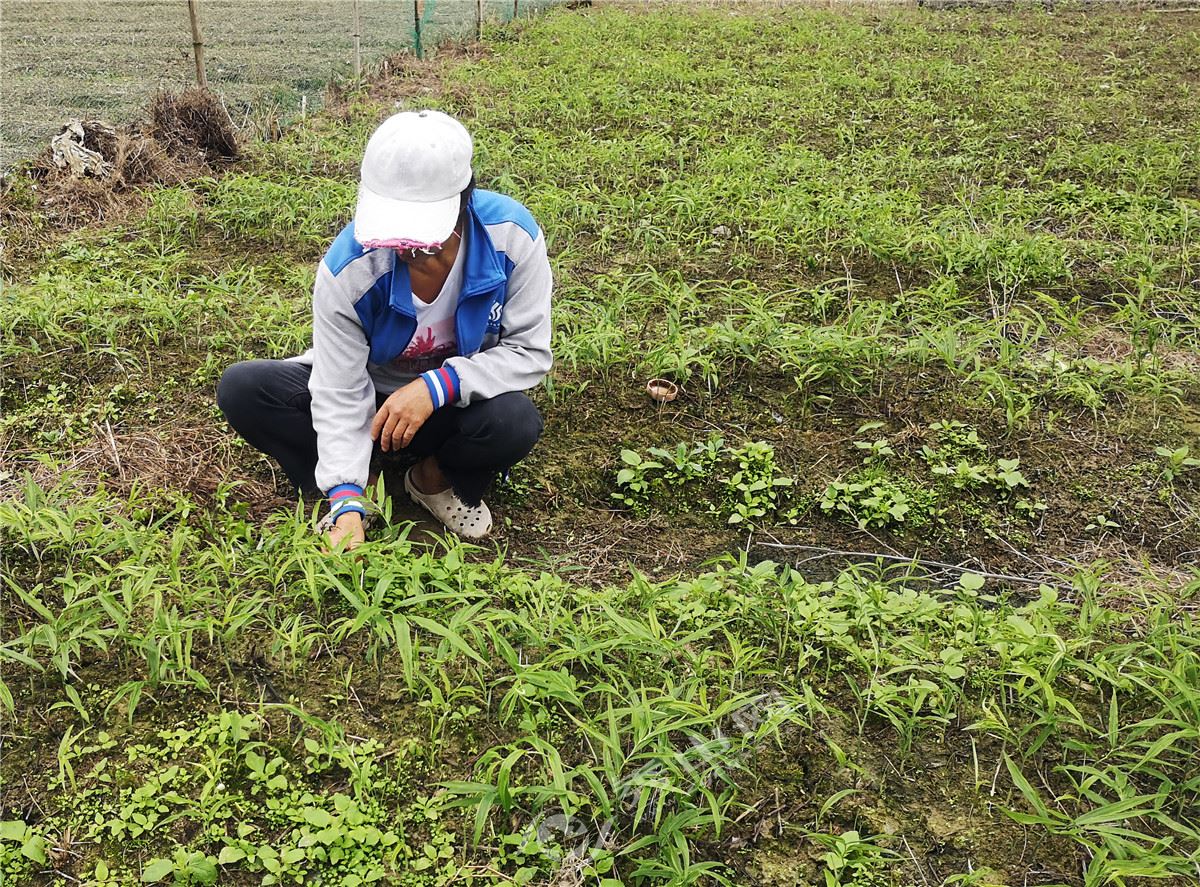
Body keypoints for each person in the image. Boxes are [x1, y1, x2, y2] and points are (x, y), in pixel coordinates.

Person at [217, 110, 552, 549]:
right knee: (244, 388)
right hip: (372, 396)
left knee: (513, 420)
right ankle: (357, 487)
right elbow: (339, 389)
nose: (402, 246)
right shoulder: (348, 270)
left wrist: (437, 386)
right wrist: (345, 495)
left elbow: (529, 352)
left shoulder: (512, 236)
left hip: (449, 405)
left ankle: (432, 479)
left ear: (462, 202)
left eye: (417, 232)